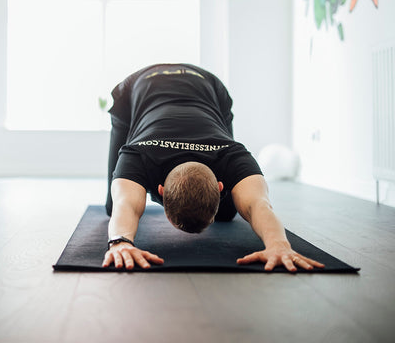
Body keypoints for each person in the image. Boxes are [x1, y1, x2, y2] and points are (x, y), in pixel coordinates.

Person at [103, 63, 324, 272]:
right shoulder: (136, 153)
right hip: (136, 87)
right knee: (112, 206)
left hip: (208, 88)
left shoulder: (234, 153)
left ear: (159, 190)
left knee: (228, 212)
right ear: (220, 186)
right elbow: (125, 205)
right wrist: (119, 242)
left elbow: (258, 205)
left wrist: (278, 244)